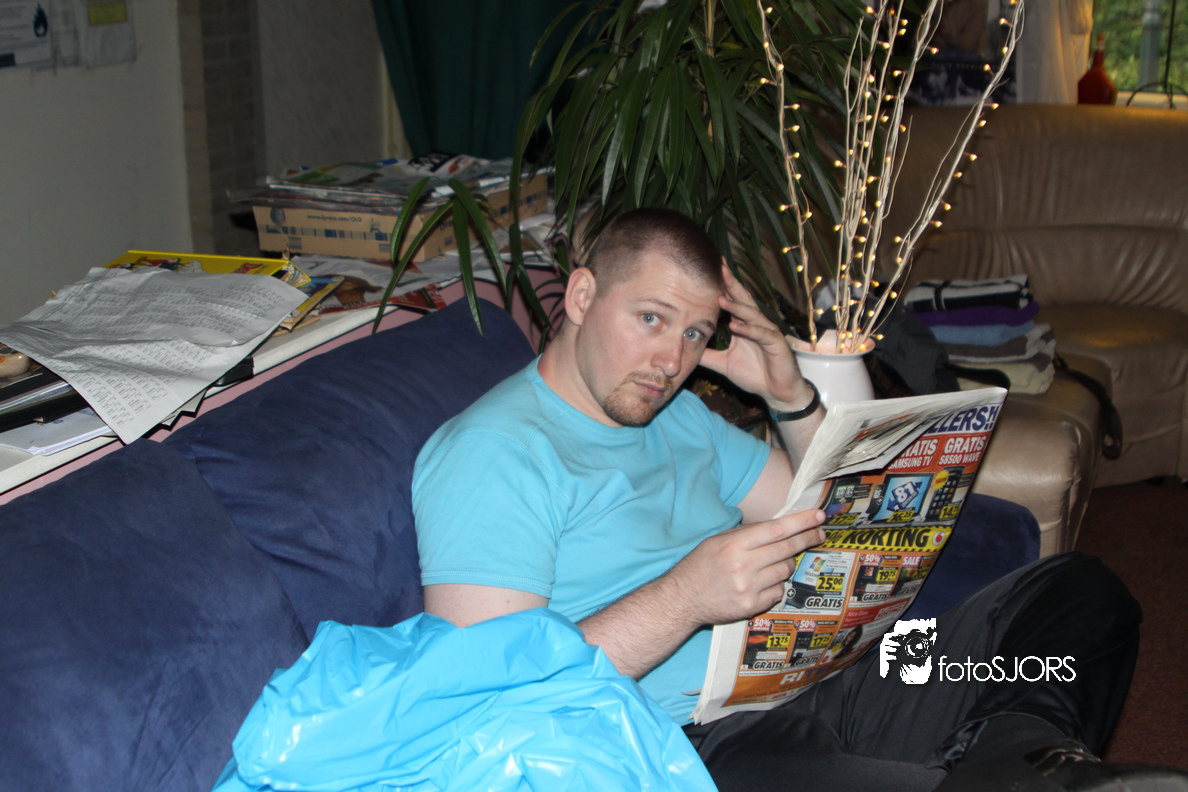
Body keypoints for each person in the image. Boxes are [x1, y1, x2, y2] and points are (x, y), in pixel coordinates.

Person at [413, 207, 1184, 792]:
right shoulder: (492, 454)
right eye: (651, 319)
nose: (671, 360)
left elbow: (837, 517)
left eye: (695, 334)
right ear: (582, 295)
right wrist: (685, 598)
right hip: (697, 741)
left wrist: (788, 395)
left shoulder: (675, 414)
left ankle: (1020, 764)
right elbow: (488, 693)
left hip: (820, 676)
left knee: (1081, 596)